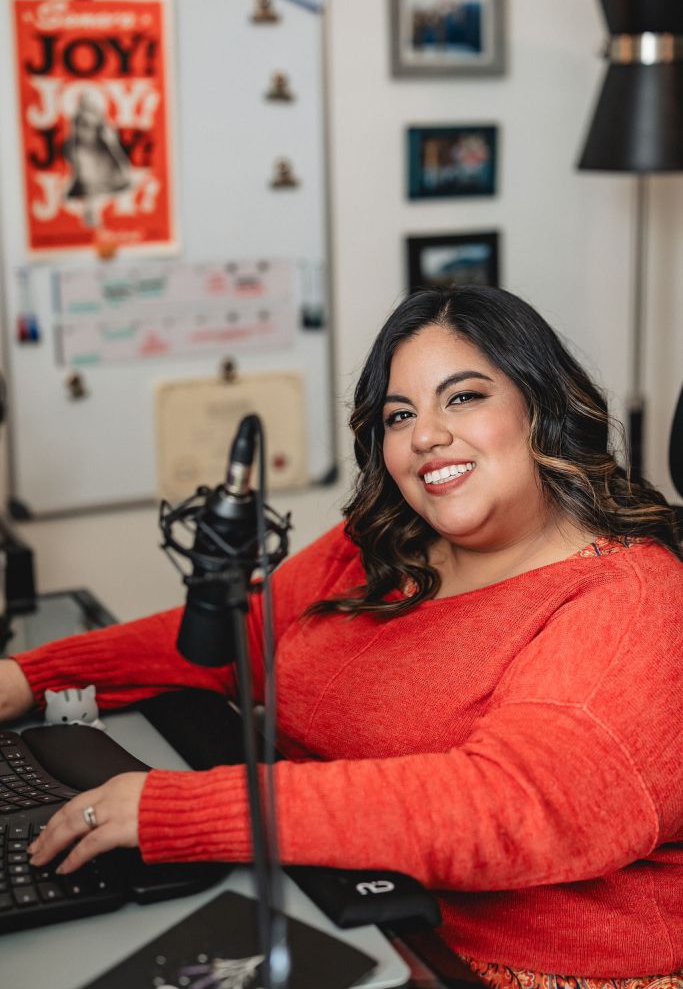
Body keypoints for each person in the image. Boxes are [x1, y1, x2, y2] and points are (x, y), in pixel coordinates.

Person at [1, 286, 682, 985]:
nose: (424, 436)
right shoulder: (384, 544)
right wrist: (28, 676)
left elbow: (505, 805)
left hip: (498, 965)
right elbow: (246, 636)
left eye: (464, 397)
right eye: (399, 414)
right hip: (341, 901)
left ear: (540, 405)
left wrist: (187, 812)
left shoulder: (630, 601)